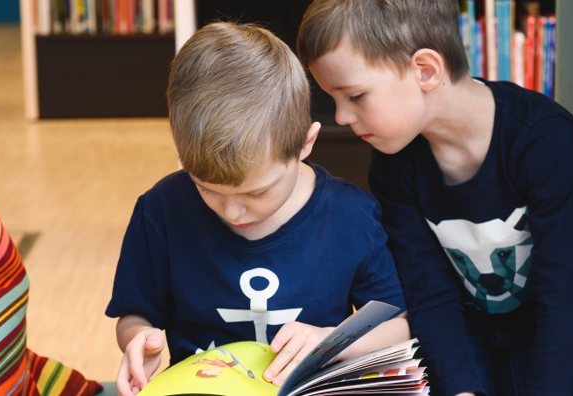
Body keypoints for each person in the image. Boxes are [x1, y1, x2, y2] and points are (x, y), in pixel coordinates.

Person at [297, 1, 573, 395]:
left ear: (425, 70)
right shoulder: (394, 165)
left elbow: (567, 301)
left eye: (355, 95)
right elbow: (429, 293)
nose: (340, 116)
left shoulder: (545, 143)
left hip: (547, 345)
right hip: (461, 342)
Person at [105, 21, 409, 396]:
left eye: (258, 193)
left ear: (305, 143)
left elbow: (398, 322)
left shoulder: (351, 217)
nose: (232, 212)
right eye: (206, 189)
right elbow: (135, 313)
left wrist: (329, 341)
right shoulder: (160, 210)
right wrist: (139, 338)